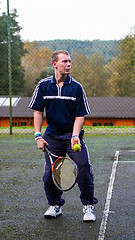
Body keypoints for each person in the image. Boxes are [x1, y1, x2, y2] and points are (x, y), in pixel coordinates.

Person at [29, 50, 98, 221]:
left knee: (83, 168)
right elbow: (38, 112)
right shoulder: (43, 85)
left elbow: (80, 116)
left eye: (70, 62)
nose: (68, 65)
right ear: (55, 64)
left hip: (72, 137)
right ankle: (55, 205)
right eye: (65, 61)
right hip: (51, 137)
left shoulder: (76, 87)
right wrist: (38, 136)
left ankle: (88, 206)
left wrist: (75, 135)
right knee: (49, 174)